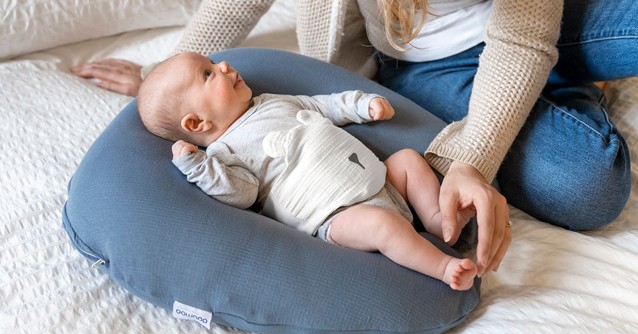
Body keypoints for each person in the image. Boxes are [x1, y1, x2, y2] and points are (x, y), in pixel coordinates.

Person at [71, 0, 638, 278]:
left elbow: (523, 37)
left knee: (538, 58)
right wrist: (162, 77)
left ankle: (537, 84)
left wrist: (473, 158)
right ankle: (553, 89)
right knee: (591, 187)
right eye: (209, 74)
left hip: (538, 24)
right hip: (430, 63)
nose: (223, 71)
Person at [137, 51, 478, 290]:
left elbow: (323, 104)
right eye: (208, 73)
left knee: (407, 160)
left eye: (213, 62)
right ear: (196, 122)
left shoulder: (270, 101)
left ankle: (440, 224)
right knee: (382, 225)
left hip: (376, 178)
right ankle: (442, 267)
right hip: (337, 216)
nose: (224, 64)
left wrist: (361, 105)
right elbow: (242, 194)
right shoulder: (224, 152)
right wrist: (196, 166)